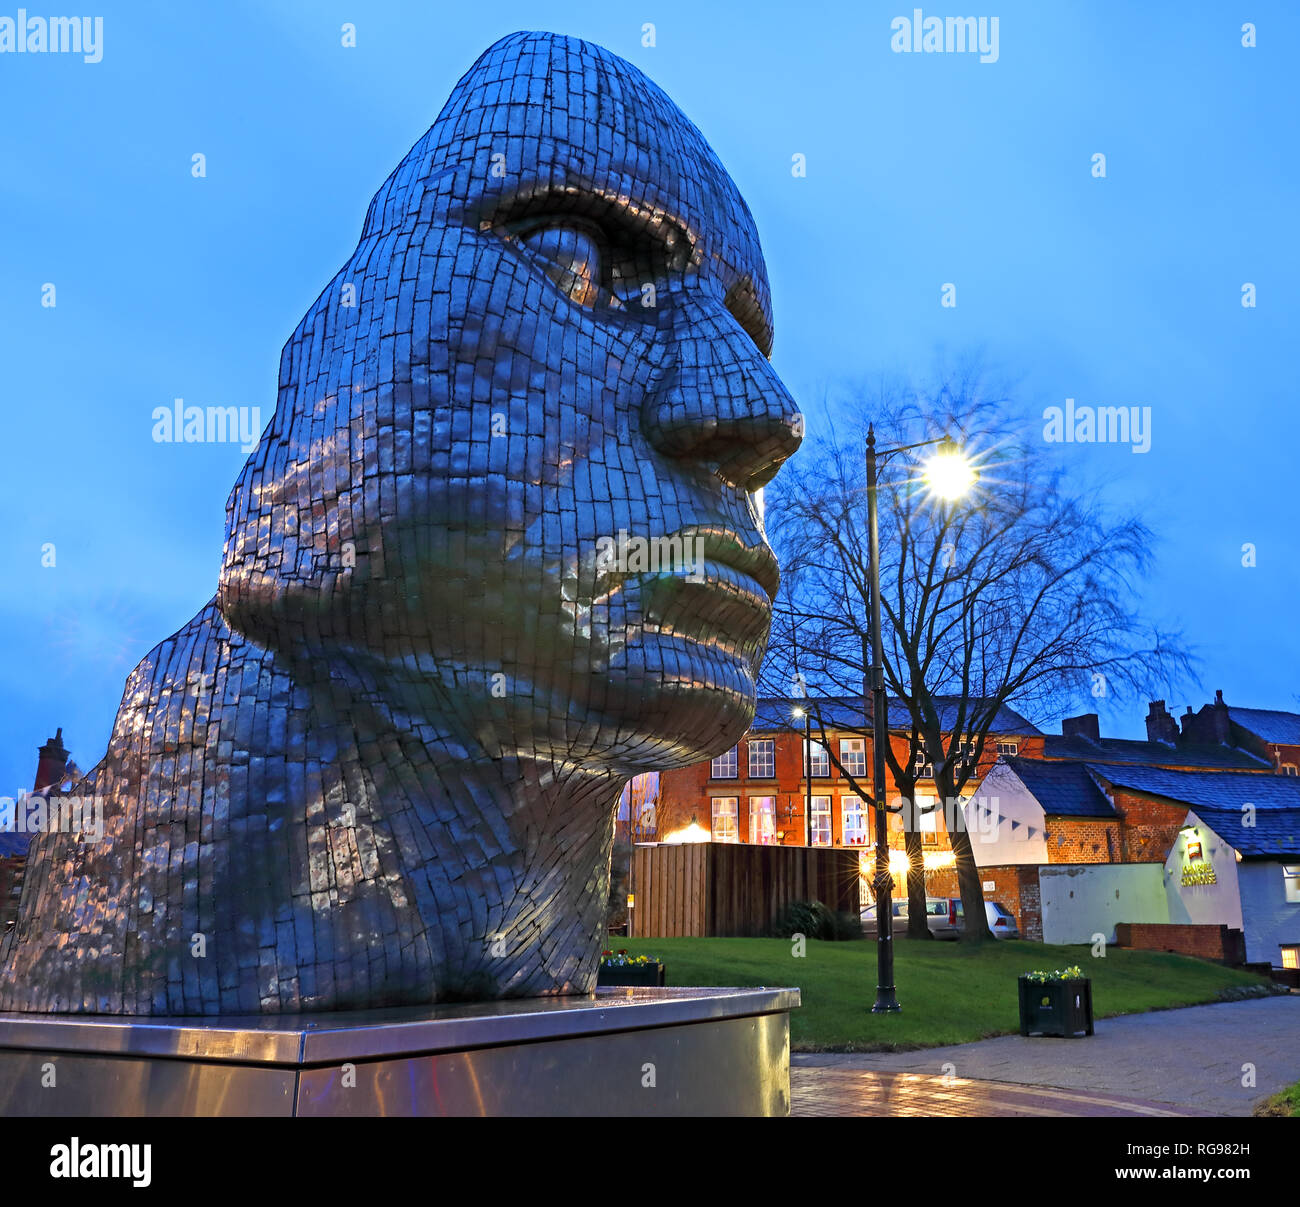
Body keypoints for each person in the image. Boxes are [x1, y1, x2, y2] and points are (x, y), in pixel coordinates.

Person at [0, 30, 802, 1015]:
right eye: (574, 248)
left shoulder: (559, 818)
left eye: (748, 334)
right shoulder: (214, 754)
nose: (763, 410)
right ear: (338, 372)